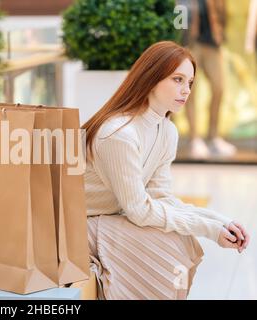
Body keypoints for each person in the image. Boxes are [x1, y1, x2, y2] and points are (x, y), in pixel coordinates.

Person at [82, 41, 250, 300]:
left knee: (180, 240)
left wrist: (220, 222)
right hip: (81, 226)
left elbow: (161, 198)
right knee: (174, 243)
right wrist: (208, 230)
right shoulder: (118, 134)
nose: (186, 90)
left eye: (190, 83)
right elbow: (139, 210)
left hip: (111, 216)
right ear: (151, 78)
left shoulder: (166, 131)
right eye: (178, 79)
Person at [182, 0, 237, 159]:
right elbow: (179, 13)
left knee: (219, 88)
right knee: (190, 91)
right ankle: (194, 138)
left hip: (212, 42)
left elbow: (222, 13)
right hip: (191, 43)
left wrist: (220, 34)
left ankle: (213, 137)